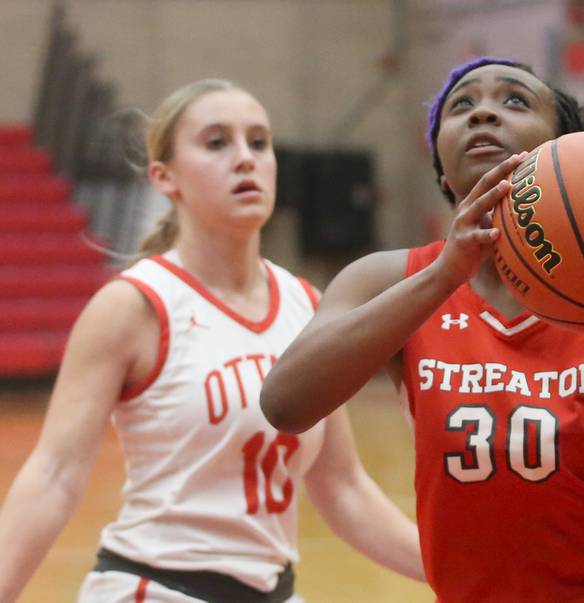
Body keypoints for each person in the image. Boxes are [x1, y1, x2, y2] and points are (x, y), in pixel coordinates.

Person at [261, 58, 584, 602]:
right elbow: (285, 405)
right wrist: (445, 276)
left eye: (514, 101)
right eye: (462, 105)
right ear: (440, 169)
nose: (483, 111)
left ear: (564, 149)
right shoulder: (387, 279)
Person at [0, 79, 424, 603]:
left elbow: (343, 488)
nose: (245, 158)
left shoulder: (307, 305)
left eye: (259, 142)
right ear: (165, 177)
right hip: (155, 587)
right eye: (217, 142)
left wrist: (456, 566)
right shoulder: (135, 305)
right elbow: (55, 473)